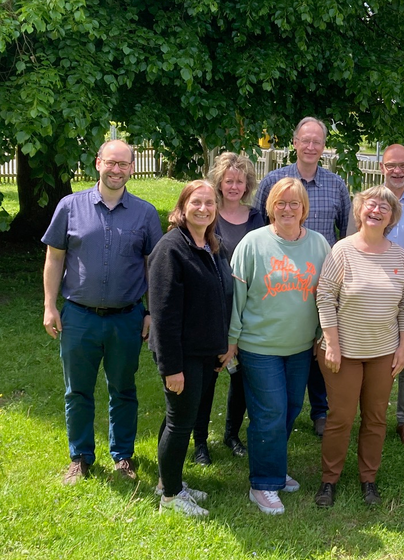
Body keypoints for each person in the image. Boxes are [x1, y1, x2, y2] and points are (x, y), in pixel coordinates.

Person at [42, 139, 162, 485]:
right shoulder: (70, 206)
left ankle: (122, 456)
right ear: (98, 163)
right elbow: (54, 258)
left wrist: (151, 312)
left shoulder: (145, 213)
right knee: (77, 390)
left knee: (123, 389)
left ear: (132, 169)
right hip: (79, 315)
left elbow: (153, 266)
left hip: (127, 317)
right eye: (111, 163)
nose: (117, 170)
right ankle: (80, 457)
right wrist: (50, 306)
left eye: (124, 165)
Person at [229, 177, 331, 514]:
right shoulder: (253, 243)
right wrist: (232, 341)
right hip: (259, 346)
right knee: (269, 413)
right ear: (270, 206)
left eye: (295, 203)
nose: (287, 209)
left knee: (289, 409)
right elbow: (236, 299)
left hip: (300, 346)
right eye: (280, 203)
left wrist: (322, 335)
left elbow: (326, 295)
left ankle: (273, 465)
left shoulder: (319, 245)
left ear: (305, 209)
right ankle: (263, 483)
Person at [315, 186, 404, 508]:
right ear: (360, 211)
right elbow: (325, 296)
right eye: (371, 204)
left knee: (375, 417)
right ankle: (329, 480)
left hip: (383, 352)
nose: (377, 210)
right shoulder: (341, 251)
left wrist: (403, 345)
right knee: (341, 417)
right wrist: (332, 343)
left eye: (385, 207)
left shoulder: (399, 255)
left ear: (392, 217)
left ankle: (368, 479)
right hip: (344, 352)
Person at [254, 117, 351, 437]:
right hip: (281, 279)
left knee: (321, 341)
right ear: (294, 143)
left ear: (324, 147)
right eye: (305, 140)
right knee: (288, 339)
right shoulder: (274, 180)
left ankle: (320, 410)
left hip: (323, 279)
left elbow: (347, 231)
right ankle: (271, 406)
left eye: (317, 141)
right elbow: (258, 228)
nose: (311, 147)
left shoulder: (336, 185)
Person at [346, 144, 404, 449]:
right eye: (391, 165)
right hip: (369, 295)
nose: (397, 171)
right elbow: (350, 242)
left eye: (403, 165)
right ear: (382, 167)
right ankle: (368, 418)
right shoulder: (366, 202)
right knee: (368, 359)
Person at [148, 180, 233, 517]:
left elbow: (220, 300)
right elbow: (164, 314)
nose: (204, 208)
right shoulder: (171, 249)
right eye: (196, 202)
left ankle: (166, 481)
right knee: (180, 422)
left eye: (209, 203)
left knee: (179, 418)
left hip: (204, 352)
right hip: (180, 355)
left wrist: (220, 346)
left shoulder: (212, 246)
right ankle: (170, 497)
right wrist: (172, 367)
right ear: (182, 208)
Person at [191, 153, 264, 464]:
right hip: (211, 311)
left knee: (242, 378)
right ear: (219, 183)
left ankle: (232, 434)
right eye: (229, 180)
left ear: (247, 184)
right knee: (205, 379)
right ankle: (199, 443)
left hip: (248, 311)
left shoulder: (259, 217)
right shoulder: (208, 213)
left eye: (240, 181)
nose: (234, 186)